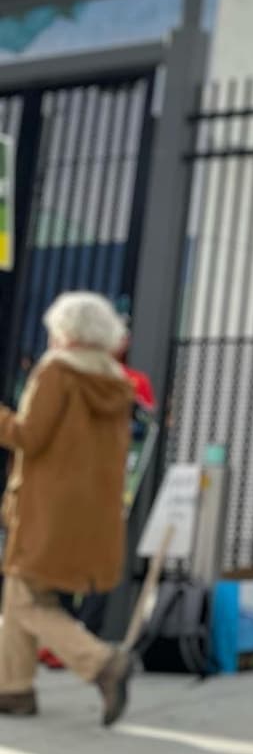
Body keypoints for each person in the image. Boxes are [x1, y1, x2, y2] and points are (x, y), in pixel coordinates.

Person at [0, 291, 137, 724]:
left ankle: (102, 662)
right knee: (24, 595)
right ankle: (14, 689)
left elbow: (29, 435)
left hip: (46, 509)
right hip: (88, 513)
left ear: (66, 329)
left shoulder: (57, 371)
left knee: (23, 599)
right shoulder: (116, 382)